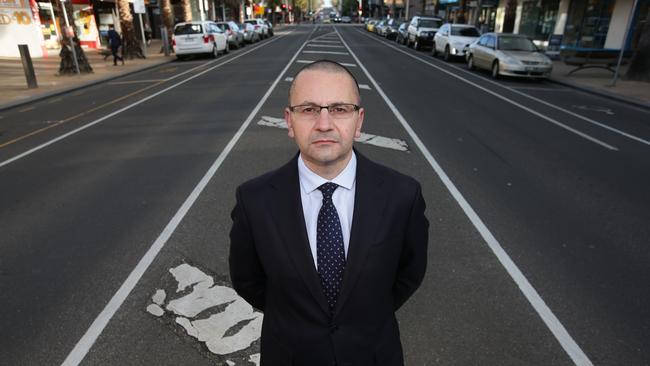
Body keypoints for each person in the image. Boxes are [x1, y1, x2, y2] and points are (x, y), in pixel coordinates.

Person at [229, 60, 429, 365]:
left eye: (339, 109)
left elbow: (408, 274)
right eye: (309, 109)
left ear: (359, 121)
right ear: (289, 121)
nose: (324, 124)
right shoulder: (254, 200)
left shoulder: (402, 196)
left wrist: (364, 314)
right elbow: (248, 282)